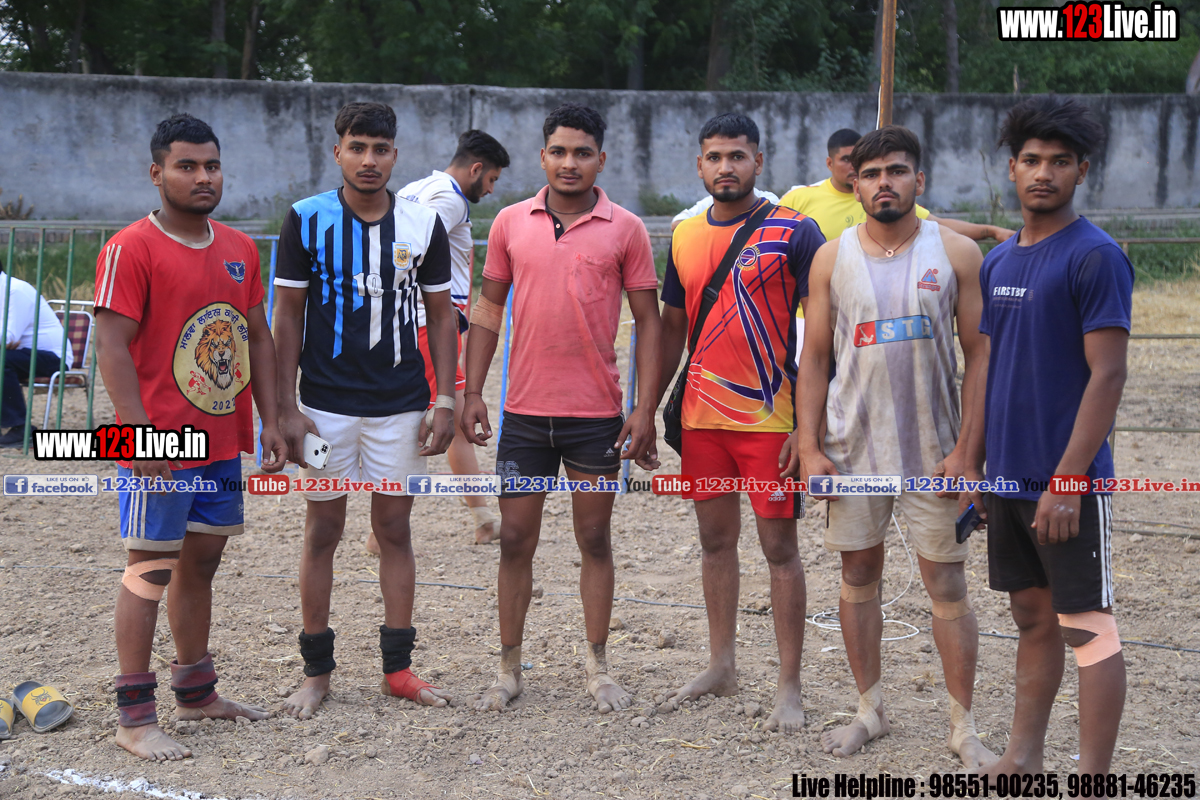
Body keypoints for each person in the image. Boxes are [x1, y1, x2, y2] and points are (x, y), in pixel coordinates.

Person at [791, 125, 996, 768]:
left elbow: (981, 355)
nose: (885, 183)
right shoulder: (831, 258)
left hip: (937, 452)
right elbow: (814, 358)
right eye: (872, 173)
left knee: (947, 583)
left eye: (898, 171)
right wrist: (810, 447)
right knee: (857, 575)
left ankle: (963, 727)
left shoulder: (957, 252)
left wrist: (969, 452)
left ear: (919, 180)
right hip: (852, 451)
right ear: (855, 184)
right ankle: (870, 710)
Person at [94, 114, 287, 761]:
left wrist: (273, 417)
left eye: (212, 165)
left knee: (202, 563)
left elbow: (256, 336)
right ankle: (134, 719)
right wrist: (135, 431)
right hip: (159, 446)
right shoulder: (130, 248)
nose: (203, 177)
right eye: (187, 166)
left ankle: (197, 693)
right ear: (157, 173)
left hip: (221, 441)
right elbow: (111, 344)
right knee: (149, 568)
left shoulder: (239, 247)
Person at [461, 103, 662, 713]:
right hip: (524, 415)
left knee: (594, 537)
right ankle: (508, 669)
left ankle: (598, 666)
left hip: (596, 416)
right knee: (514, 540)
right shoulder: (509, 223)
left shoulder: (626, 228)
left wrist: (644, 408)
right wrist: (472, 391)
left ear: (601, 159)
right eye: (559, 151)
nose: (569, 162)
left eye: (582, 152)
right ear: (542, 156)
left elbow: (649, 323)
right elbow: (487, 310)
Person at [964, 96, 1131, 777]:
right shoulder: (999, 261)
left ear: (1081, 171)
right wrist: (976, 467)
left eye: (1060, 162)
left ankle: (1092, 781)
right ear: (1011, 168)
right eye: (1031, 160)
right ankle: (1022, 759)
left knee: (1089, 629)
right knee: (1032, 620)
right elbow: (988, 369)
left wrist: (1068, 478)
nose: (1043, 173)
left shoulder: (1095, 256)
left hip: (1066, 485)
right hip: (1007, 479)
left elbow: (1108, 375)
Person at [273, 102, 457, 719]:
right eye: (357, 147)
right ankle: (317, 673)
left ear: (395, 155)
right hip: (323, 408)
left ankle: (397, 670)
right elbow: (287, 316)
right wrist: (286, 407)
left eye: (380, 149)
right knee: (322, 531)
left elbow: (441, 316)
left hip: (400, 407)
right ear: (338, 153)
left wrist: (446, 397)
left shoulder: (423, 223)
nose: (369, 160)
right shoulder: (305, 218)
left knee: (394, 531)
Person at [655, 113, 823, 734]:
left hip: (771, 421)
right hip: (701, 422)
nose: (726, 167)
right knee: (714, 543)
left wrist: (809, 429)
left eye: (738, 156)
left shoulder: (796, 231)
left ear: (759, 161)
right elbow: (671, 330)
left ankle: (789, 686)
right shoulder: (683, 234)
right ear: (700, 165)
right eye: (715, 157)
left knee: (780, 549)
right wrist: (644, 409)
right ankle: (721, 665)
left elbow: (822, 336)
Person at [383, 129, 511, 548]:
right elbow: (408, 247)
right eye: (491, 179)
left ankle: (482, 519)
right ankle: (385, 530)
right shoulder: (449, 198)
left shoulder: (417, 187)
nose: (490, 190)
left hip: (412, 320)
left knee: (438, 420)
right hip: (427, 323)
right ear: (475, 168)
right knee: (445, 420)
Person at [779, 128, 1015, 244]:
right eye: (845, 160)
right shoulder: (798, 198)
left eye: (896, 172)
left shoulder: (885, 200)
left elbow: (940, 225)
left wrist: (991, 231)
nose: (883, 181)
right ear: (829, 163)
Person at [0, 259, 73, 445]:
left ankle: (21, 429)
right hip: (21, 355)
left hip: (53, 359)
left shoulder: (14, 290)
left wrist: (5, 342)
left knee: (2, 360)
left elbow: (8, 337)